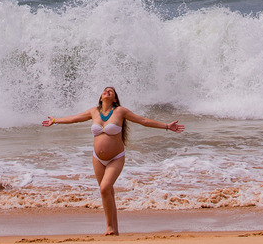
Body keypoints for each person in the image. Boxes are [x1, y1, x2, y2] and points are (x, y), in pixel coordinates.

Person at [42, 86, 184, 235]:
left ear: (115, 98)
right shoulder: (93, 112)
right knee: (107, 192)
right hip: (97, 158)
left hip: (116, 158)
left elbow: (142, 120)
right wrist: (55, 120)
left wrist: (167, 126)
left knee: (104, 188)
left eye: (111, 91)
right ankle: (113, 229)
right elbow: (75, 118)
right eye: (105, 91)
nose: (107, 92)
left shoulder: (120, 111)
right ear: (101, 98)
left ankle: (110, 227)